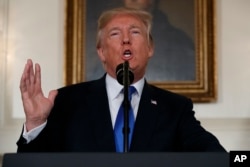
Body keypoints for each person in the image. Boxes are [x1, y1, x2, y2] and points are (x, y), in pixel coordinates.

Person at [17, 7, 226, 152]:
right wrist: (35, 124)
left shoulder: (175, 108)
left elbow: (216, 157)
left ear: (150, 48)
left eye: (135, 32)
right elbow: (31, 163)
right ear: (101, 52)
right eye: (115, 34)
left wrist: (241, 159)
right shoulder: (67, 101)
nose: (126, 39)